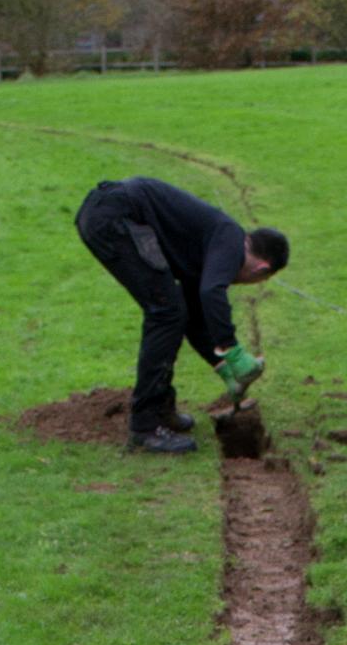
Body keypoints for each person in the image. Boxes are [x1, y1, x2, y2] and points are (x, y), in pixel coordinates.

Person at [74, 175, 288, 455]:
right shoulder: (230, 239)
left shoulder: (209, 248)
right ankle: (146, 427)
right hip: (115, 216)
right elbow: (212, 292)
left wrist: (223, 368)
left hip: (106, 213)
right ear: (261, 269)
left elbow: (194, 319)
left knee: (173, 311)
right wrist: (234, 352)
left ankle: (161, 410)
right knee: (165, 313)